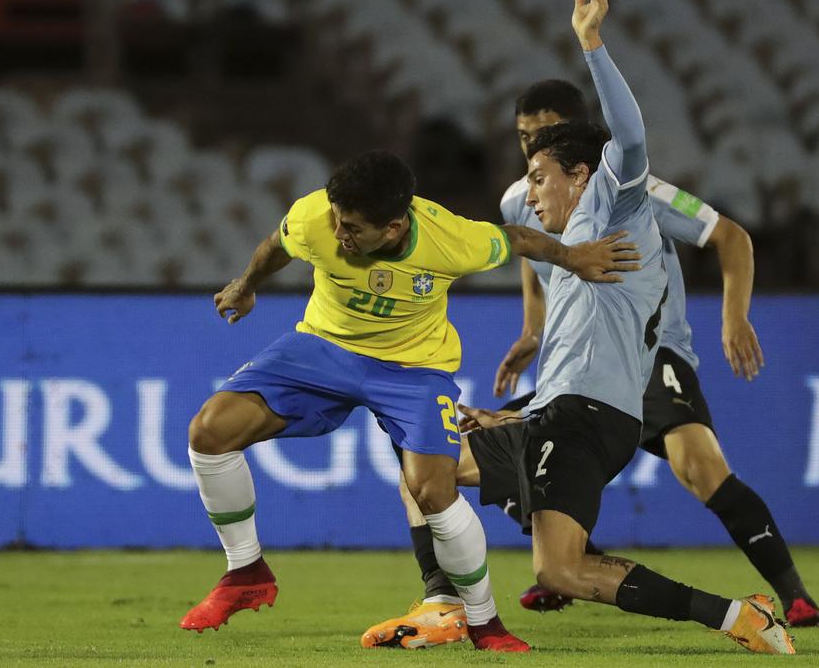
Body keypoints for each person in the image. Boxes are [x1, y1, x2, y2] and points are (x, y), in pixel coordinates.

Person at [363, 0, 794, 654]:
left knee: (559, 567)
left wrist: (590, 42)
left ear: (578, 173)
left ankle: (738, 616)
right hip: (561, 411)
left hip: (589, 418)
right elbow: (567, 339)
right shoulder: (559, 247)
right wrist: (517, 399)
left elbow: (627, 137)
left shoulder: (615, 207)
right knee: (423, 466)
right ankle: (442, 600)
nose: (527, 191)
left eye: (538, 177)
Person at [179, 144, 639, 652]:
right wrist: (245, 286)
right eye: (336, 220)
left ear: (394, 228)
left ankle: (485, 624)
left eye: (352, 228)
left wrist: (574, 258)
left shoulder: (450, 240)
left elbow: (518, 238)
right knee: (208, 431)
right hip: (324, 346)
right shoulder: (314, 216)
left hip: (413, 369)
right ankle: (245, 571)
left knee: (433, 490)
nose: (338, 234)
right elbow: (275, 246)